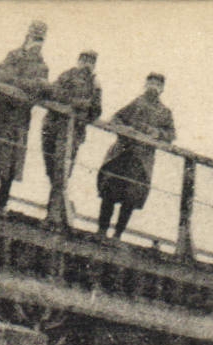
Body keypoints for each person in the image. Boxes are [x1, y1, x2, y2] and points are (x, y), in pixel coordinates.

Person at [0, 20, 50, 211]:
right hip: (1, 113)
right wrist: (22, 83)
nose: (36, 41)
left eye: (40, 38)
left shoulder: (42, 66)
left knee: (11, 161)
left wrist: (19, 84)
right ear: (27, 35)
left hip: (19, 117)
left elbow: (38, 89)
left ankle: (2, 201)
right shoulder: (14, 55)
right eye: (34, 35)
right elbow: (4, 75)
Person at [96, 73, 175, 239]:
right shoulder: (136, 103)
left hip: (141, 161)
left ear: (162, 89)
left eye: (157, 84)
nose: (153, 87)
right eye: (150, 83)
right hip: (123, 154)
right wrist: (126, 129)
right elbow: (116, 118)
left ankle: (118, 234)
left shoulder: (165, 112)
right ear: (145, 84)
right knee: (110, 191)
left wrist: (157, 132)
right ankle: (101, 231)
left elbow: (171, 134)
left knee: (131, 197)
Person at [40, 50, 102, 223]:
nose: (87, 64)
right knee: (51, 168)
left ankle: (53, 212)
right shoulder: (67, 75)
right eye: (84, 60)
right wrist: (80, 103)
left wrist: (94, 96)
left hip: (73, 133)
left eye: (91, 62)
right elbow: (56, 93)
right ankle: (56, 208)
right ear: (79, 61)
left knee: (63, 170)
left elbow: (96, 110)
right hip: (52, 126)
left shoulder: (95, 85)